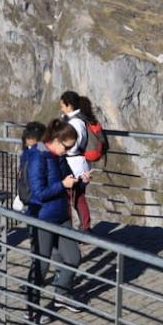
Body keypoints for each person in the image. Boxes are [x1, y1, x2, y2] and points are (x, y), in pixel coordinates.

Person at [24, 120, 84, 319]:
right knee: (41, 265)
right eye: (67, 146)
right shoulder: (37, 157)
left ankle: (62, 294)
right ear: (56, 141)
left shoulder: (59, 157)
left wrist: (80, 180)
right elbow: (38, 193)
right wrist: (62, 184)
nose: (68, 151)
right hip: (42, 217)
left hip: (61, 215)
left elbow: (67, 180)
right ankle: (32, 308)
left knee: (73, 257)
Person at [59, 91, 96, 232]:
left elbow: (75, 144)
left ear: (69, 106)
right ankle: (85, 227)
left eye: (63, 105)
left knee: (71, 197)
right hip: (79, 163)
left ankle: (74, 228)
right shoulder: (78, 120)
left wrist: (63, 149)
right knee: (79, 197)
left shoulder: (75, 123)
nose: (61, 107)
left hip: (74, 164)